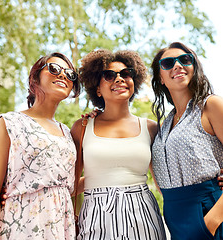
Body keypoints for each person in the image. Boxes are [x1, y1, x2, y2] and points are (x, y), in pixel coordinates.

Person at [150, 42, 223, 240]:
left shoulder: (211, 106)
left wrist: (210, 223)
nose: (177, 65)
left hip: (208, 216)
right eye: (167, 63)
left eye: (185, 59)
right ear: (161, 78)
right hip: (175, 219)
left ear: (194, 67)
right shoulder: (164, 125)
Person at [0, 52, 80, 240]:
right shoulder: (10, 122)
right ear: (35, 77)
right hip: (22, 227)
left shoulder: (67, 132)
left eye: (70, 74)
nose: (63, 75)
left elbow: (66, 186)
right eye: (54, 69)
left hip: (61, 229)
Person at [70, 49, 167, 240]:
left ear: (134, 81)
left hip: (143, 214)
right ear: (97, 88)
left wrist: (214, 181)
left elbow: (165, 181)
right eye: (109, 75)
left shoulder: (151, 128)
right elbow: (70, 184)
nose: (119, 79)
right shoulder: (82, 127)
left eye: (126, 73)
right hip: (95, 217)